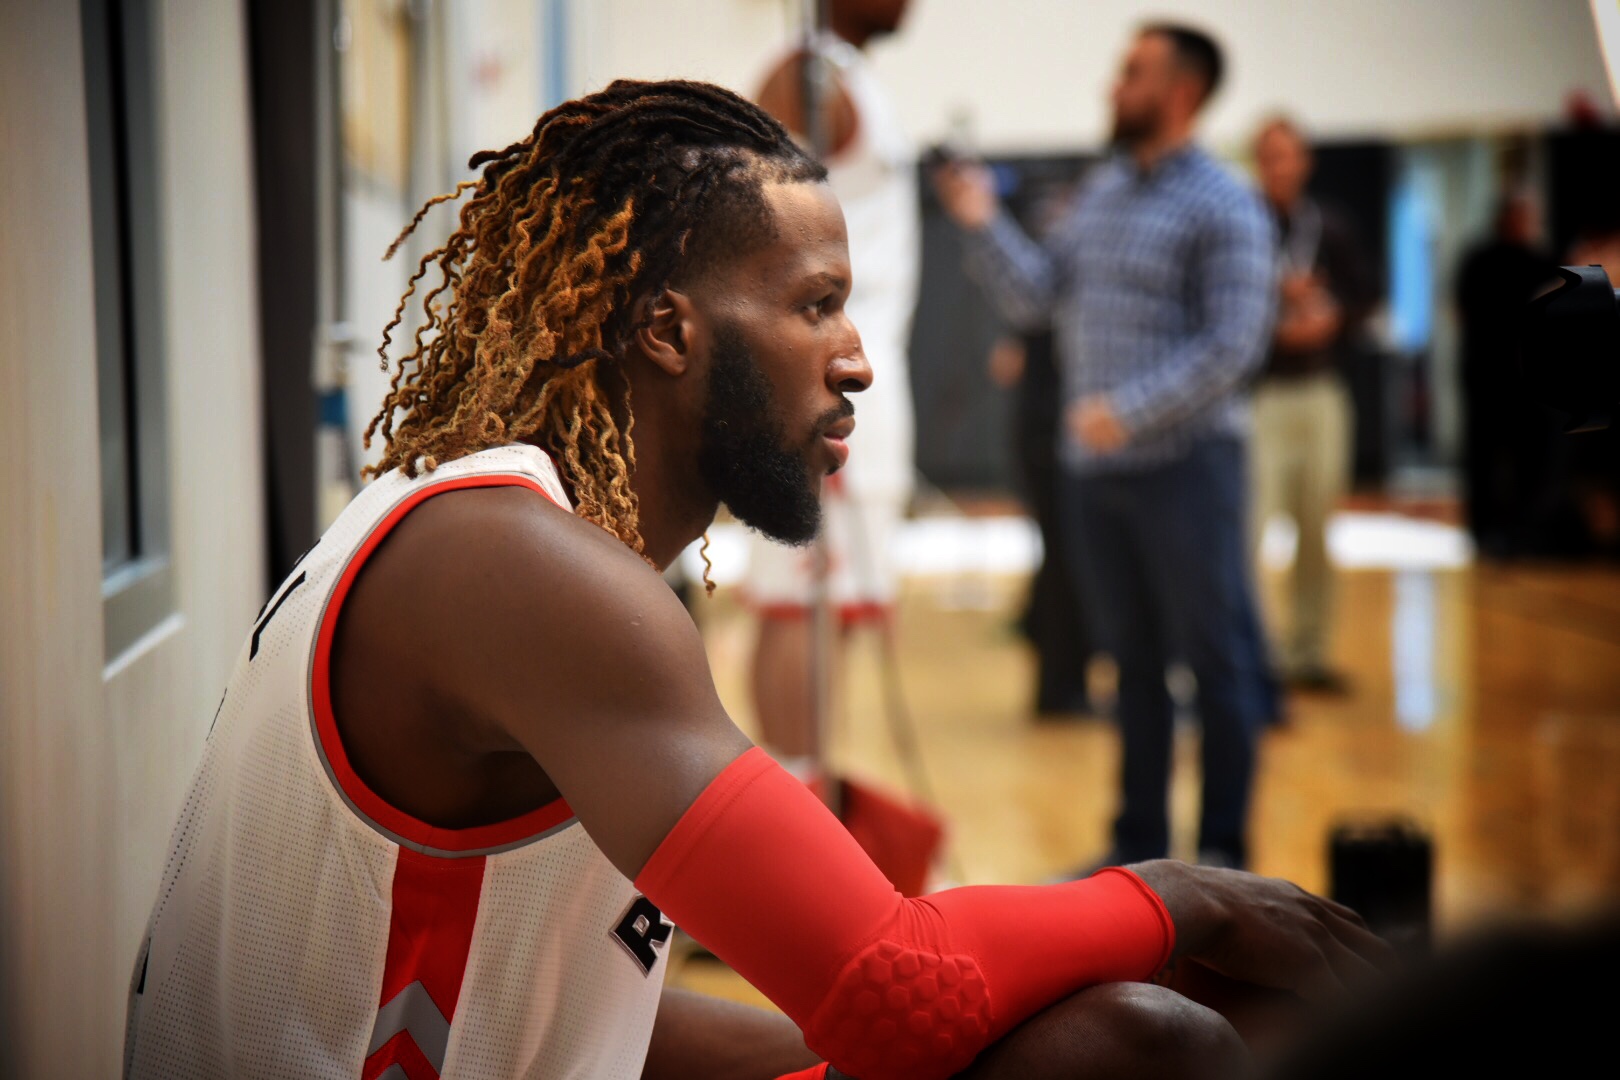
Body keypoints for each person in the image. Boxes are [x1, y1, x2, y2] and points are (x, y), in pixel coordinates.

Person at [124, 80, 1387, 1080]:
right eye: (816, 305)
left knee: (1106, 1029)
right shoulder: (520, 570)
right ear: (669, 328)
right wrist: (1182, 898)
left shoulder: (486, 532)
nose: (856, 362)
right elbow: (901, 989)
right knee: (1144, 1045)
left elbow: (580, 1018)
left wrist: (1003, 1007)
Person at [934, 24, 1277, 871]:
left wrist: (1128, 412)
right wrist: (982, 224)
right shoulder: (1104, 195)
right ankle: (1140, 848)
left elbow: (1235, 343)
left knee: (1216, 662)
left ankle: (1225, 858)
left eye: (1133, 74)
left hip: (1188, 471)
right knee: (1131, 668)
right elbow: (1037, 300)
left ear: (1183, 93)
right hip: (1098, 476)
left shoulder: (1224, 203)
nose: (1112, 87)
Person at [746, 0, 920, 782]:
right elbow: (762, 225)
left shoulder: (843, 73)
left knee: (836, 613)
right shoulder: (804, 73)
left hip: (864, 363)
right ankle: (796, 805)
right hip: (829, 371)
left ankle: (803, 797)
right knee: (798, 605)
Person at [1249, 117, 1373, 695]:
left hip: (1319, 393)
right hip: (1262, 397)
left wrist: (1328, 319)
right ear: (1257, 163)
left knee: (1318, 523)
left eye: (1289, 156)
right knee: (1254, 529)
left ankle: (1310, 650)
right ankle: (1258, 653)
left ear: (1305, 162)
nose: (1280, 167)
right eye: (1269, 157)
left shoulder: (1330, 226)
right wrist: (1277, 309)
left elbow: (1362, 297)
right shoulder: (1241, 226)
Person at [1455, 192, 1562, 558]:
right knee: (1483, 461)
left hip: (1530, 382)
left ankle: (1524, 534)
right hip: (1486, 378)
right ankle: (1483, 533)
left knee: (1529, 461)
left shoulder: (1545, 261)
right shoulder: (1479, 260)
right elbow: (1462, 312)